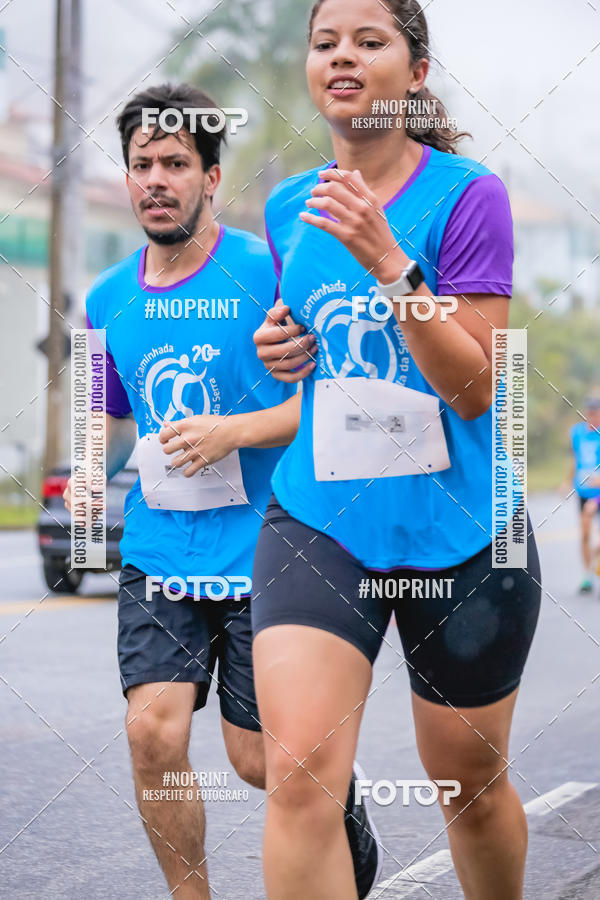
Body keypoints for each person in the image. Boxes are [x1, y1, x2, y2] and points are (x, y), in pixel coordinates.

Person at [251, 2, 542, 898]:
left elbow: (476, 388)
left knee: (471, 787)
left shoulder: (467, 195)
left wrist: (391, 262)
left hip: (460, 530)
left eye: (369, 41)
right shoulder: (287, 205)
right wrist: (281, 349)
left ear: (415, 71)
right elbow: (315, 354)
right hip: (320, 519)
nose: (342, 56)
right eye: (325, 41)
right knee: (298, 777)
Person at [63, 83, 379, 899]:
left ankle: (335, 804)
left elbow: (326, 401)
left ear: (210, 175)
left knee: (255, 758)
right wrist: (85, 487)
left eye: (175, 163)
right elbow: (104, 416)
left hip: (268, 546)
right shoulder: (104, 300)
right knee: (152, 734)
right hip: (162, 549)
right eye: (141, 165)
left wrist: (233, 433)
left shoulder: (265, 268)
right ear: (127, 178)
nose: (156, 179)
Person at [563, 395, 600, 592]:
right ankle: (587, 575)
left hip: (599, 493)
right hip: (583, 490)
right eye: (589, 413)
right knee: (585, 534)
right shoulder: (577, 433)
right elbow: (575, 460)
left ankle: (595, 567)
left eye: (596, 414)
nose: (592, 417)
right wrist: (567, 481)